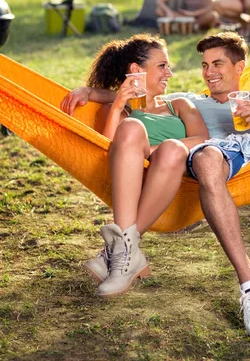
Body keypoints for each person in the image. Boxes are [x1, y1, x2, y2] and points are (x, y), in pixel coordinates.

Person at [62, 32, 250, 338]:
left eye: (218, 63)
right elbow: (143, 97)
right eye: (204, 65)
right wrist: (90, 91)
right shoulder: (190, 101)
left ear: (239, 67)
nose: (209, 71)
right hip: (219, 156)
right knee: (206, 157)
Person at [64, 34, 209, 298]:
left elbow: (202, 138)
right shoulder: (127, 111)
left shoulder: (179, 105)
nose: (170, 73)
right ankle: (128, 253)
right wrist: (118, 104)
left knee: (172, 148)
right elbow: (108, 150)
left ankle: (117, 250)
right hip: (134, 176)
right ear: (136, 71)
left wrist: (153, 150)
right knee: (130, 128)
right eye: (162, 66)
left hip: (175, 171)